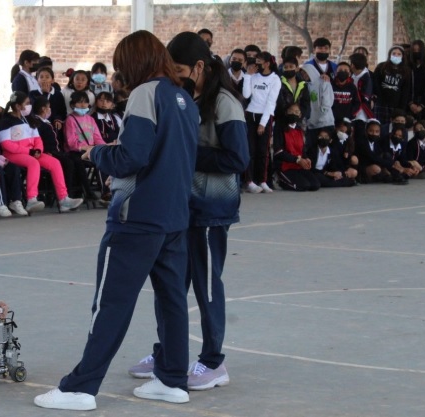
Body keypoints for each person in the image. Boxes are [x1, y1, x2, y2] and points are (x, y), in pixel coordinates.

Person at [34, 30, 199, 411]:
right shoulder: (184, 100)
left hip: (136, 217)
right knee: (172, 301)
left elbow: (132, 156)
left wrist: (97, 153)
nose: (119, 74)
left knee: (111, 303)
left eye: (122, 66)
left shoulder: (146, 94)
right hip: (174, 216)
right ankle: (172, 379)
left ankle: (80, 387)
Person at [126, 31, 248, 391]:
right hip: (178, 207)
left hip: (211, 210)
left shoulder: (225, 102)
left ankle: (213, 362)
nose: (173, 74)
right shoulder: (178, 98)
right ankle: (166, 353)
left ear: (199, 66)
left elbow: (237, 158)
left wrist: (187, 151)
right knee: (171, 286)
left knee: (207, 287)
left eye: (179, 68)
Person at [0, 91, 83, 213]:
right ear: (17, 106)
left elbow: (37, 139)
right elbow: (6, 144)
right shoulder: (5, 121)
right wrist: (29, 151)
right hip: (13, 154)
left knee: (55, 163)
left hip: (32, 152)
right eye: (27, 103)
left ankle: (63, 199)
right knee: (33, 163)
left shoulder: (30, 120)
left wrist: (38, 150)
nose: (29, 105)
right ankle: (31, 199)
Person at [242, 51, 281, 193]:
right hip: (251, 114)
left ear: (267, 63)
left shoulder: (275, 79)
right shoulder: (253, 76)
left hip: (265, 116)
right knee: (250, 149)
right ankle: (249, 180)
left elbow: (271, 102)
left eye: (260, 61)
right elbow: (246, 94)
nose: (257, 63)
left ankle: (263, 180)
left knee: (263, 151)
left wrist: (263, 123)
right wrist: (248, 76)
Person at [65, 91, 106, 200]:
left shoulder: (91, 119)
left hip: (91, 150)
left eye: (85, 102)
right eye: (79, 102)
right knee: (84, 163)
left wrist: (104, 147)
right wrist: (85, 148)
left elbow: (97, 137)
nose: (83, 105)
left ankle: (106, 190)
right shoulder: (70, 119)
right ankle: (89, 191)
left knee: (105, 159)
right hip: (77, 151)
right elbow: (71, 142)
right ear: (73, 105)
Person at [274, 103, 320, 191]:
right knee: (303, 186)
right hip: (285, 166)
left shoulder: (299, 130)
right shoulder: (279, 128)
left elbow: (302, 149)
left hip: (298, 165)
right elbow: (279, 152)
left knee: (315, 185)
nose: (293, 114)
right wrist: (297, 160)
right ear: (286, 112)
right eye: (291, 111)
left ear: (300, 115)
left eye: (296, 112)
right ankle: (280, 180)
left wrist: (306, 158)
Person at [373, 46, 411, 124]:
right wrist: (378, 97)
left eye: (399, 54)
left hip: (396, 105)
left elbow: (405, 90)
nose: (396, 56)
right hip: (381, 103)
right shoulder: (381, 67)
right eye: (394, 53)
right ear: (390, 55)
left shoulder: (406, 71)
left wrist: (401, 108)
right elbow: (375, 82)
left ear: (403, 56)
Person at [301, 62, 335, 146]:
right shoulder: (305, 86)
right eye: (302, 73)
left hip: (325, 122)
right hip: (312, 124)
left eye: (305, 72)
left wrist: (321, 115)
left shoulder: (324, 82)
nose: (304, 75)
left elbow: (328, 101)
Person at [30, 67, 67, 132]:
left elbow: (62, 111)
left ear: (52, 80)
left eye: (47, 77)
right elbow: (34, 110)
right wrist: (44, 94)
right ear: (37, 80)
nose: (44, 79)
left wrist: (58, 119)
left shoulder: (57, 94)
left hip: (53, 126)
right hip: (38, 126)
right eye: (41, 77)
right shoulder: (33, 94)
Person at [349, 52, 374, 144]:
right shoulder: (352, 76)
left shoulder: (366, 78)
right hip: (352, 110)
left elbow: (365, 96)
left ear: (353, 65)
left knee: (359, 136)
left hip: (361, 112)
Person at [408, 40, 425, 121]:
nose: (416, 52)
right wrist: (410, 103)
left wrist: (422, 105)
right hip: (409, 102)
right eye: (414, 50)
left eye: (418, 50)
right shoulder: (408, 67)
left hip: (424, 104)